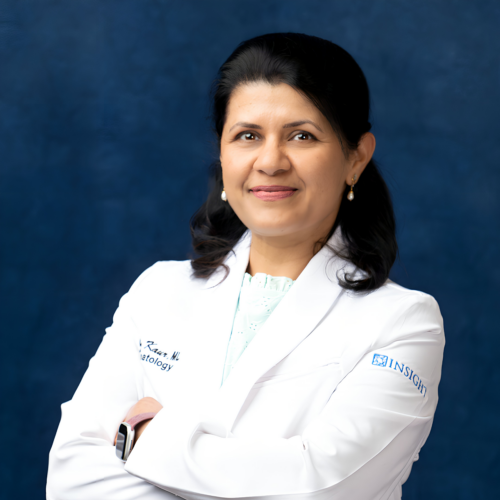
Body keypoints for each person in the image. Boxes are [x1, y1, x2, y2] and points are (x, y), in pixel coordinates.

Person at [46, 33, 445, 500]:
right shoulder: (156, 292)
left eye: (302, 136)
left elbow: (322, 485)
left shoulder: (403, 324)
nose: (270, 162)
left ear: (355, 157)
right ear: (222, 153)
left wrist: (141, 439)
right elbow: (73, 475)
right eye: (248, 136)